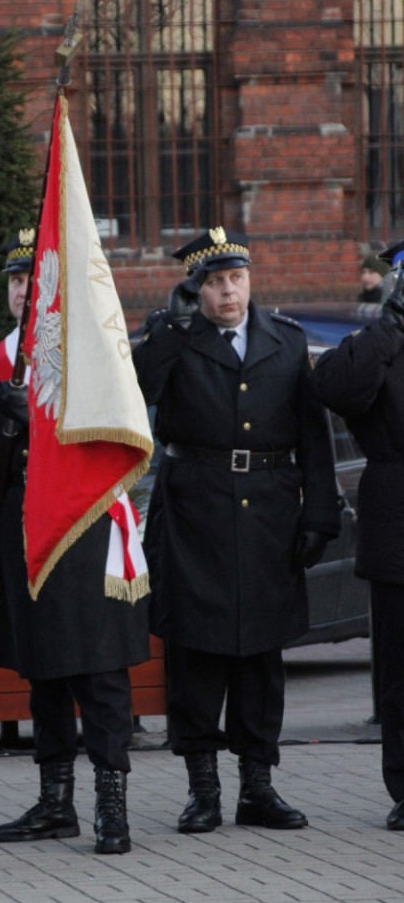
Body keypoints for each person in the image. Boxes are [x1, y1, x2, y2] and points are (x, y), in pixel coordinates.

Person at [132, 227, 341, 834]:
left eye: (237, 279)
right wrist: (169, 330)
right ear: (197, 288)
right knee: (197, 655)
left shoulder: (285, 340)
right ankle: (203, 790)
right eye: (216, 282)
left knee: (260, 659)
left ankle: (258, 786)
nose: (229, 291)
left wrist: (319, 514)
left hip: (270, 516)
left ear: (251, 279)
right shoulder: (175, 339)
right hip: (195, 512)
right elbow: (137, 389)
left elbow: (315, 438)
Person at [0, 230, 151, 855]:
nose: (25, 290)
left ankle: (111, 802)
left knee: (100, 671)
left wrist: (44, 429)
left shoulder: (99, 359)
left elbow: (123, 441)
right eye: (16, 280)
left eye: (35, 279)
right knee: (42, 669)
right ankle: (55, 802)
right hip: (21, 530)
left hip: (86, 525)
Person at [313, 238, 404, 831]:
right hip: (397, 520)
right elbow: (335, 389)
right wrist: (388, 330)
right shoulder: (378, 345)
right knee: (400, 672)